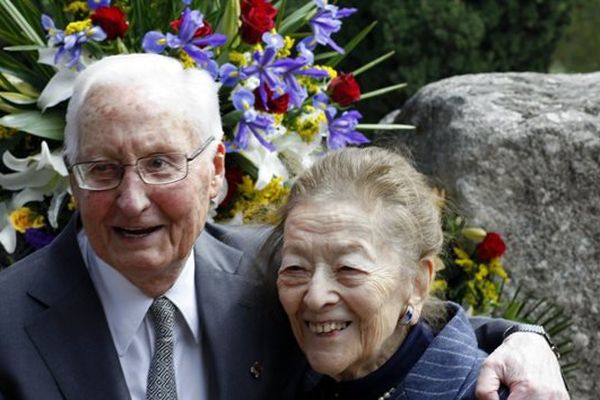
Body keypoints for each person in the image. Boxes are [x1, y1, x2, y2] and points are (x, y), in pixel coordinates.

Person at [0, 54, 567, 400]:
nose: (132, 199)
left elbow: (395, 315)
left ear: (216, 171)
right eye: (102, 169)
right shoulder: (8, 323)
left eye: (160, 164)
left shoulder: (271, 273)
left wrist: (522, 341)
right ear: (73, 180)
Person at [271, 146, 567, 399]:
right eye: (296, 268)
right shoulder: (287, 374)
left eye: (348, 268)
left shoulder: (490, 393)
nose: (315, 297)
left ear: (417, 283)